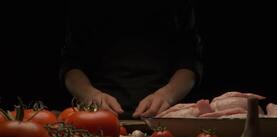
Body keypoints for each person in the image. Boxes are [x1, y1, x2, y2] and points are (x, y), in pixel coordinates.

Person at [60, 0, 203, 119]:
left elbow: (190, 60)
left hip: (165, 118)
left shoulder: (178, 5)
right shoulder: (84, 6)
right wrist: (90, 95)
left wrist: (167, 95)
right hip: (95, 117)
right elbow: (71, 63)